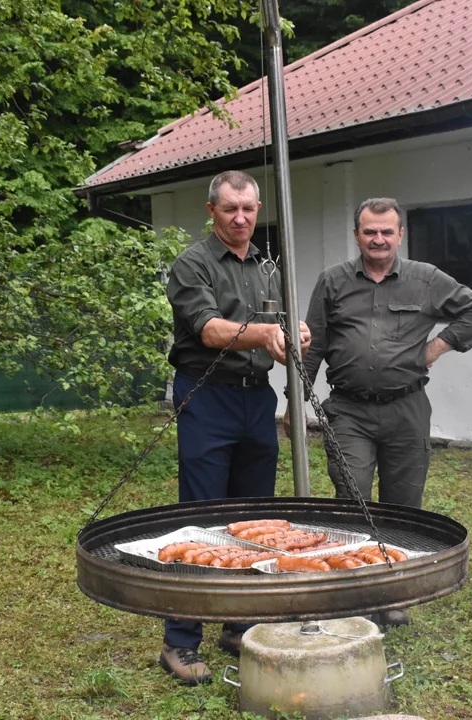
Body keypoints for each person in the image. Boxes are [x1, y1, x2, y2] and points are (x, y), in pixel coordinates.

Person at [293, 197, 472, 626]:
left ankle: (392, 593)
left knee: (404, 506)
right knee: (353, 497)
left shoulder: (426, 280)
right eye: (369, 232)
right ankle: (356, 591)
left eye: (387, 231)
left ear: (400, 234)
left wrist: (438, 347)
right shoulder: (333, 282)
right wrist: (296, 401)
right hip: (348, 410)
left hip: (407, 409)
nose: (378, 239)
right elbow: (316, 346)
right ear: (357, 235)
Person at [159, 170, 310, 685]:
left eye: (248, 208)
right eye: (230, 209)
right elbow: (208, 328)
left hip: (254, 402)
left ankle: (240, 623)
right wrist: (267, 331)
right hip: (206, 398)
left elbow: (279, 321)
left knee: (255, 518)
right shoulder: (192, 264)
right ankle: (180, 641)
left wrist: (295, 330)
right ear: (212, 211)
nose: (241, 218)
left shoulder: (265, 266)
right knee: (201, 518)